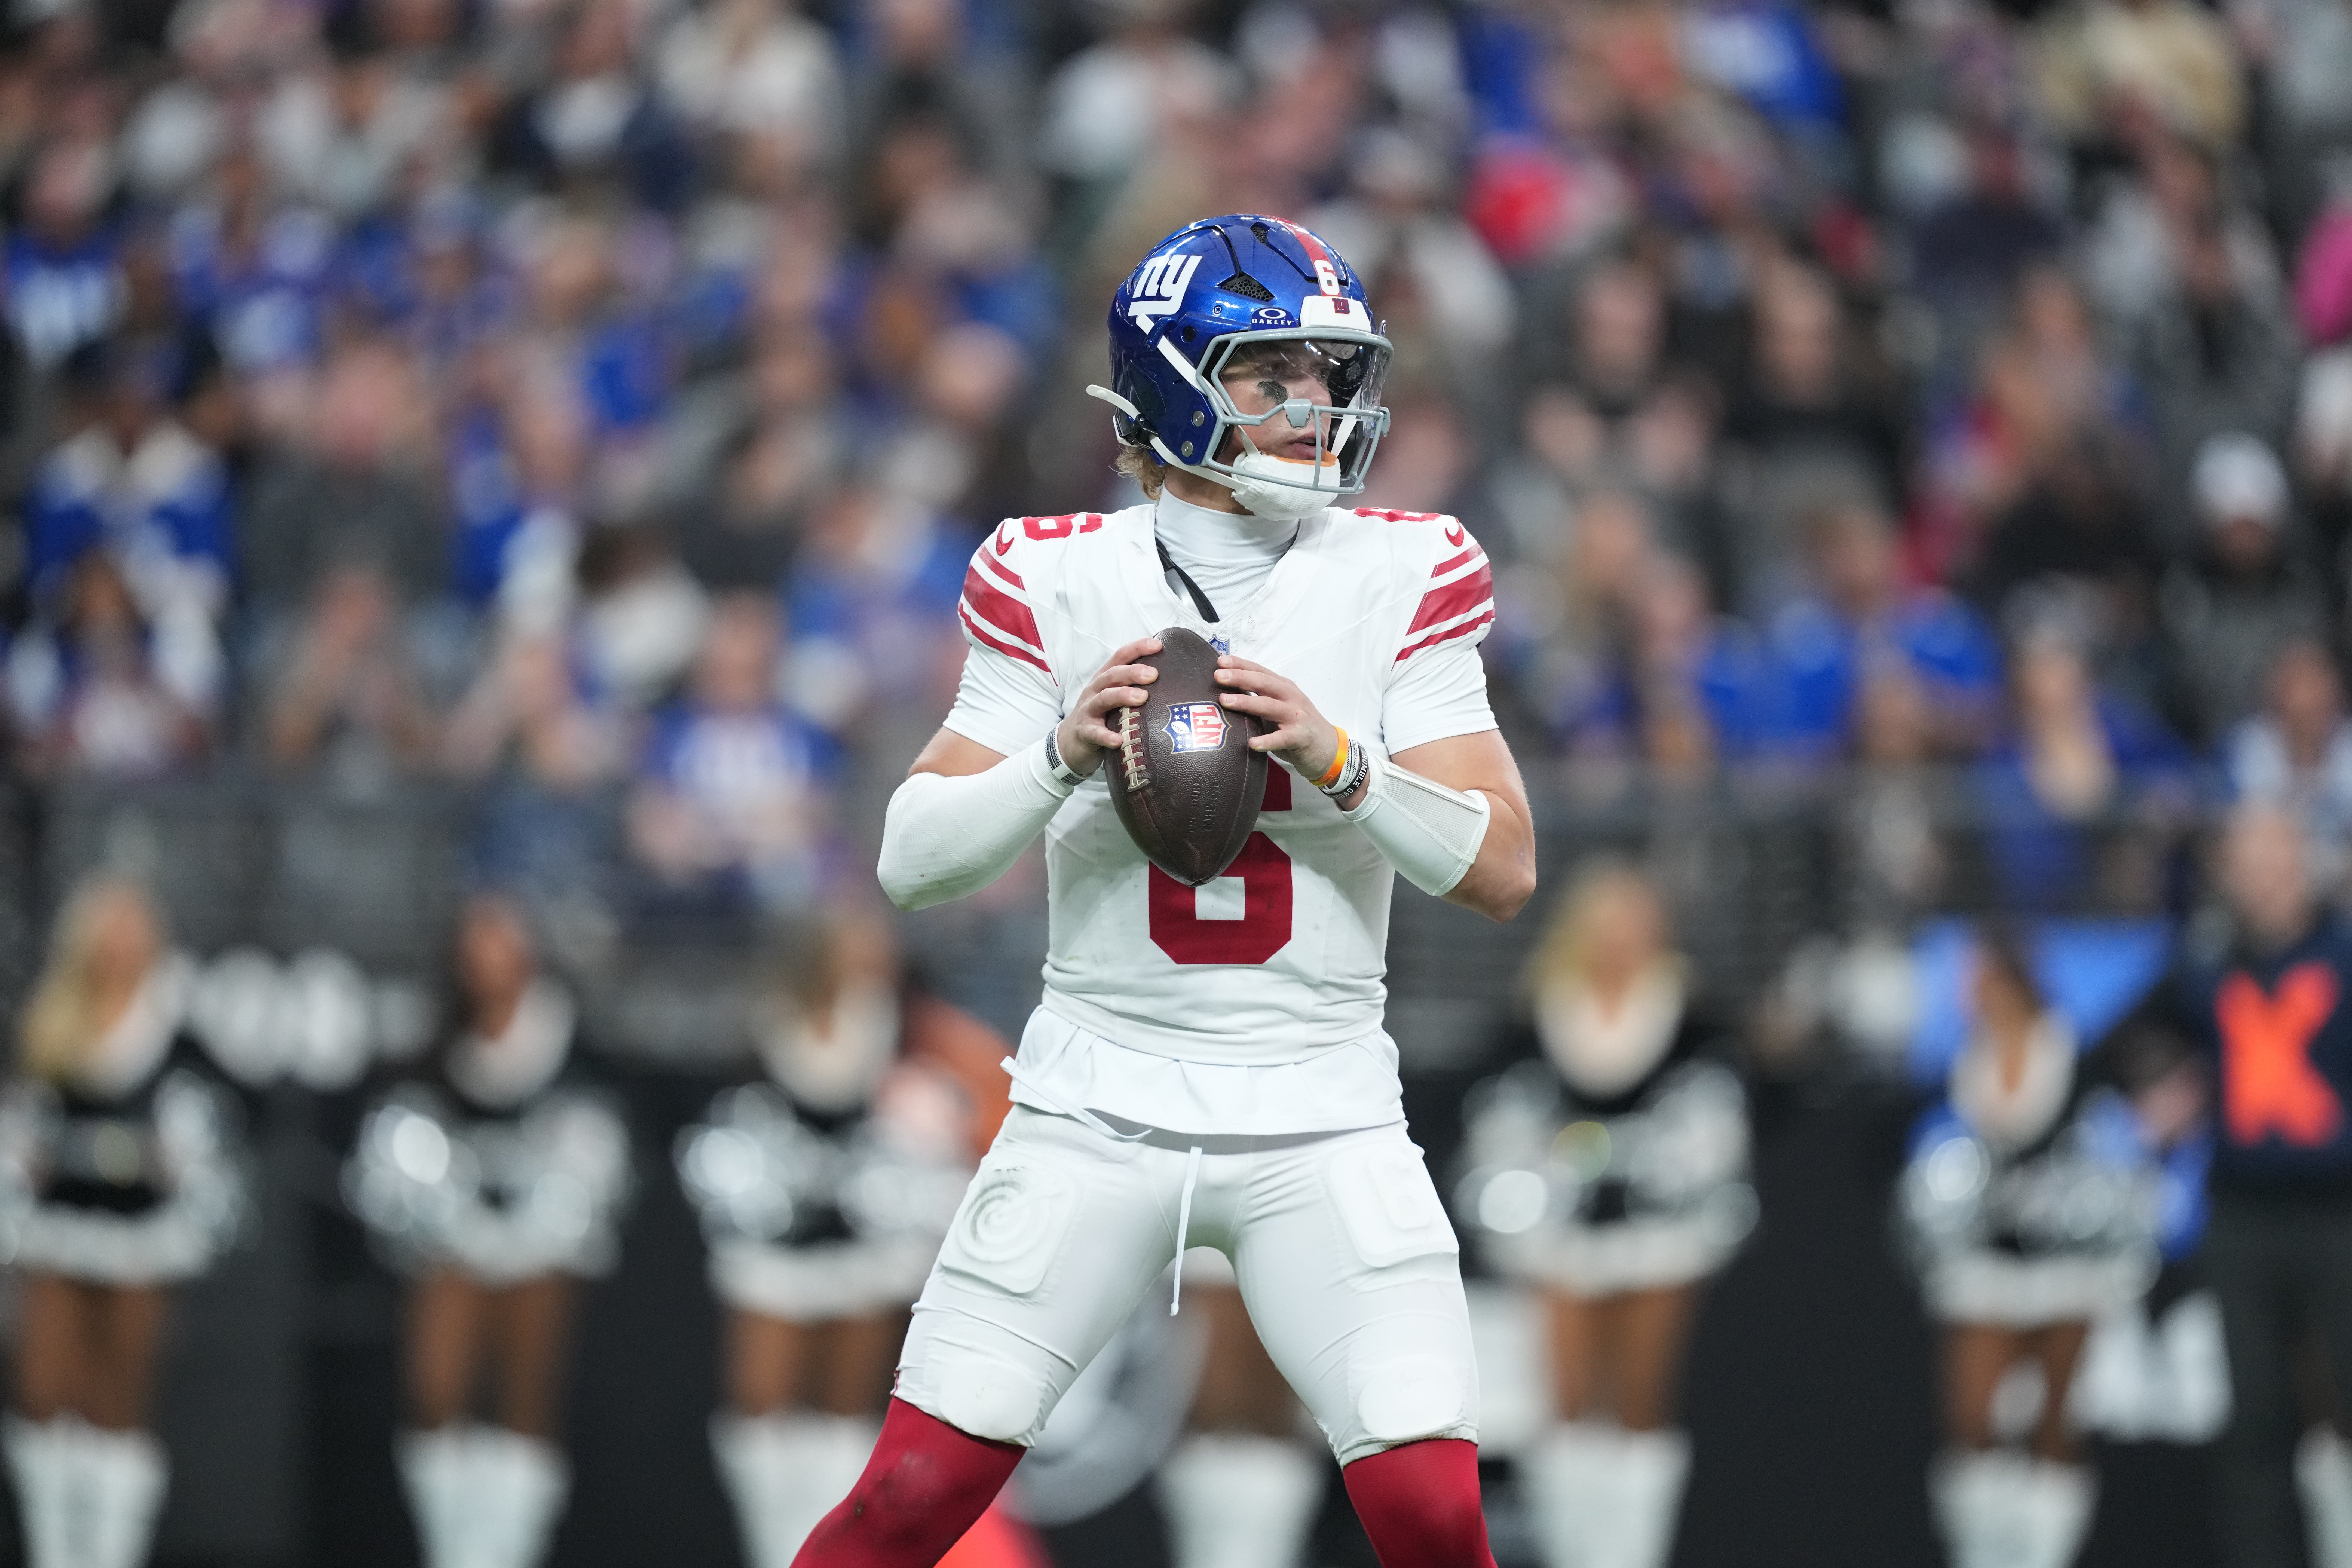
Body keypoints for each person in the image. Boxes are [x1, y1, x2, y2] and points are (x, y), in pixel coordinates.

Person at [801, 214, 1538, 1568]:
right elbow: (911, 860)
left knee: (1436, 1518)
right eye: (1270, 375)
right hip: (1098, 1099)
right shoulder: (1051, 569)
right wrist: (1056, 754)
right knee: (903, 1502)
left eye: (1327, 372)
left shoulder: (1408, 566)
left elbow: (1500, 868)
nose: (1315, 404)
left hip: (1321, 1102)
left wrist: (1339, 756)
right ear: (1167, 386)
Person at [1453, 863, 1750, 1568]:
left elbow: (1725, 1119)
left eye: (1637, 924)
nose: (1621, 940)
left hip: (1662, 1238)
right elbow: (1495, 1116)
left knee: (1642, 1403)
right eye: (1608, 924)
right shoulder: (1536, 1017)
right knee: (1569, 1405)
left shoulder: (1695, 1024)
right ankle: (1573, 1554)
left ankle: (1633, 1556)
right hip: (1560, 1240)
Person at [676, 912, 988, 1567]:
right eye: (856, 940)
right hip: (775, 1249)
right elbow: (727, 1121)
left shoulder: (910, 1026)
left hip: (867, 1249)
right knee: (762, 1419)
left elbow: (963, 1101)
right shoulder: (763, 1025)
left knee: (846, 1421)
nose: (873, 951)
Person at [343, 893, 633, 1568]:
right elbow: (401, 1135)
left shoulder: (572, 1043)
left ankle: (513, 1553)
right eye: (478, 944)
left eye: (503, 941)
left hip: (544, 1242)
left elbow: (602, 1140)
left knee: (527, 1395)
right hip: (454, 1241)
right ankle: (454, 1552)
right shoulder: (438, 1044)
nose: (491, 958)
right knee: (437, 1391)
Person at [0, 877, 247, 1568]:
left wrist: (182, 1155)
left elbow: (228, 1117)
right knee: (46, 1392)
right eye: (106, 931)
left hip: (142, 1234)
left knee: (119, 1398)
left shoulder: (178, 1029)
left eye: (131, 930)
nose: (118, 946)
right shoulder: (49, 1021)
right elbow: (22, 1121)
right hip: (59, 1228)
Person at [1902, 929, 2161, 1568]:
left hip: (2072, 1269)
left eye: (1978, 978)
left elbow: (2132, 1149)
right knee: (1970, 1425)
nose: (1966, 994)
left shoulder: (2084, 1061)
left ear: (2012, 982)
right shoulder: (1957, 1065)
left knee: (2056, 1423)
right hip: (1986, 1267)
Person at [2156, 807, 2352, 1568]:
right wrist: (2172, 1089)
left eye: (2277, 857)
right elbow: (2141, 1039)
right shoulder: (2209, 969)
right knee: (2255, 1418)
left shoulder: (2341, 959)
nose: (2264, 876)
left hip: (2338, 1212)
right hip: (2242, 1215)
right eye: (2248, 860)